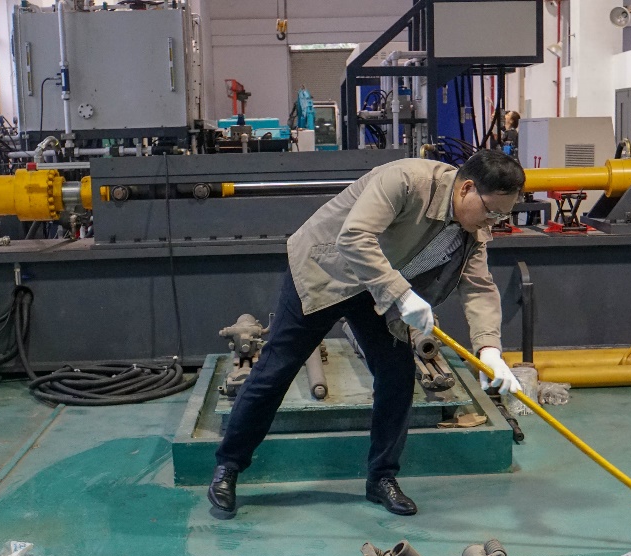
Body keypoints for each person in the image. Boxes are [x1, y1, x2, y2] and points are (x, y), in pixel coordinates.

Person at [208, 150, 526, 519]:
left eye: (502, 216)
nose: (494, 221)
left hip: (379, 288)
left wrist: (489, 349)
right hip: (326, 268)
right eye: (492, 211)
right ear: (467, 188)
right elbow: (354, 237)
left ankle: (381, 478)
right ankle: (228, 467)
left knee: (397, 378)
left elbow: (478, 286)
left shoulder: (474, 226)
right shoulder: (407, 181)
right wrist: (404, 296)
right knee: (276, 370)